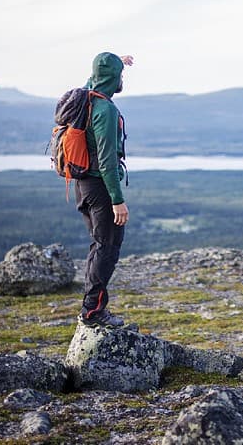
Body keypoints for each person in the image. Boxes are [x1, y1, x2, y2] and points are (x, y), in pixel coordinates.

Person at [76, 52, 133, 327]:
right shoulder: (106, 110)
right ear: (114, 79)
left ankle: (92, 307)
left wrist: (113, 62)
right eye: (120, 75)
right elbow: (108, 161)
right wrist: (117, 200)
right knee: (108, 247)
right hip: (100, 185)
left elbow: (95, 78)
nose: (122, 79)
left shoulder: (86, 96)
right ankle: (93, 311)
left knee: (100, 244)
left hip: (83, 184)